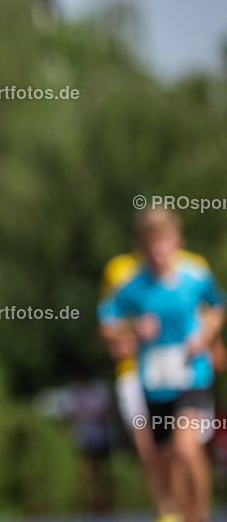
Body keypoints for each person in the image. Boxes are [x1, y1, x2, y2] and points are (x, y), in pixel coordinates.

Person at [98, 208, 225, 522]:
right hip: (154, 383)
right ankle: (183, 515)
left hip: (192, 375)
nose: (158, 251)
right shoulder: (132, 284)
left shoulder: (195, 274)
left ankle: (201, 517)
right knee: (167, 459)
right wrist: (132, 329)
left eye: (164, 242)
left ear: (177, 241)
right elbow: (106, 322)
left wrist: (207, 337)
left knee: (186, 449)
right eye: (151, 244)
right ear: (141, 246)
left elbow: (217, 306)